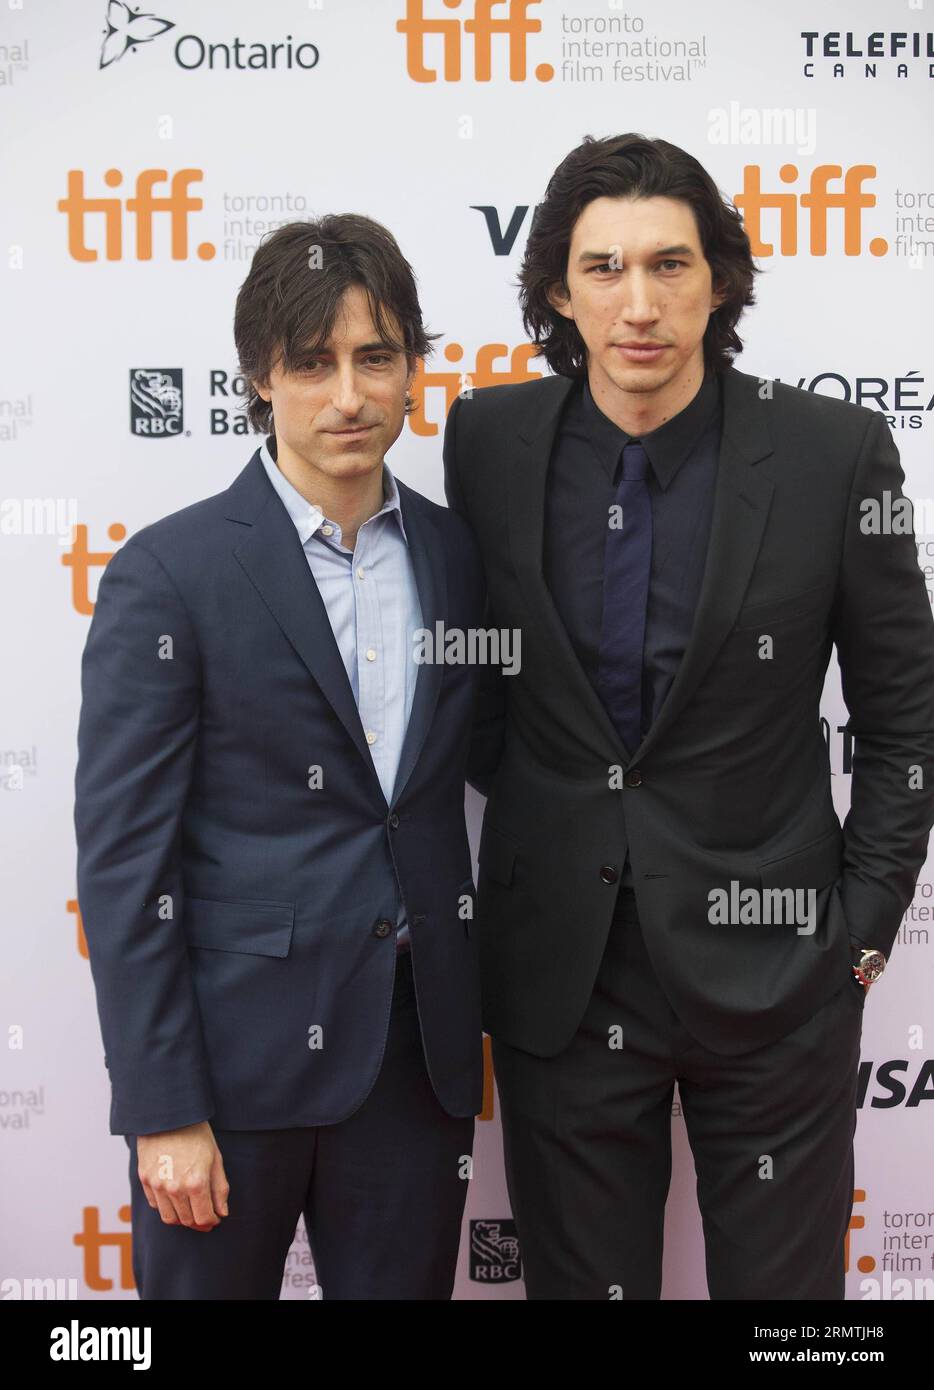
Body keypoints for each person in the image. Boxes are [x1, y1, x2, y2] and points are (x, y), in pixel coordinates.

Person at [443, 133, 934, 1300]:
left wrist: (858, 934)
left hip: (777, 973)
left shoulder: (830, 453)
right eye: (603, 269)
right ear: (557, 290)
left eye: (671, 264)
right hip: (565, 981)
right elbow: (478, 687)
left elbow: (903, 718)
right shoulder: (490, 443)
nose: (640, 304)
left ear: (719, 277)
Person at [75, 215, 484, 1300]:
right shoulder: (171, 574)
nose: (346, 395)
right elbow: (125, 866)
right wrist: (162, 1107)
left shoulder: (456, 555)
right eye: (312, 364)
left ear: (411, 371)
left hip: (412, 1067)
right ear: (261, 377)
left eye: (374, 358)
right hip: (231, 1075)